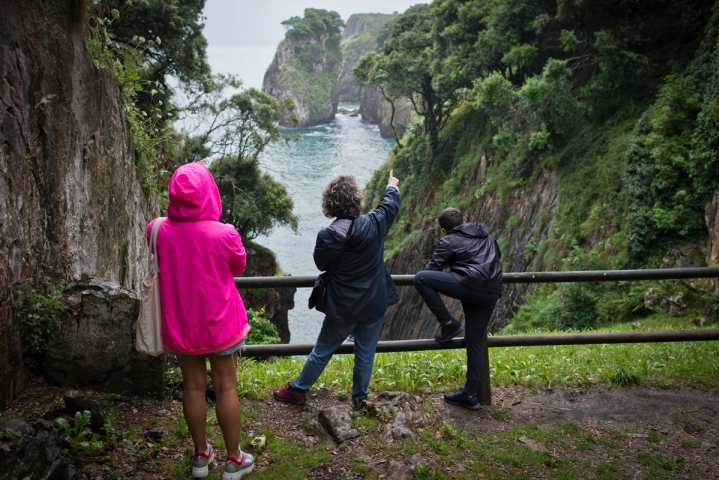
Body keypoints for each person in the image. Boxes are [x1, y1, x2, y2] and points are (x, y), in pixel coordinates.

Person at [147, 163, 254, 479]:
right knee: (226, 386)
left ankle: (200, 456)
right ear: (210, 192)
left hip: (180, 323)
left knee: (192, 387)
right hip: (222, 323)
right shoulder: (225, 234)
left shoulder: (157, 229)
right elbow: (239, 266)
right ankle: (234, 460)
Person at [273, 171, 401, 409]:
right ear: (357, 199)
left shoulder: (327, 236)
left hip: (345, 305)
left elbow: (322, 264)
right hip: (374, 301)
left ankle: (299, 390)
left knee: (323, 349)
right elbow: (389, 205)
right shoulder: (374, 223)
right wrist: (391, 185)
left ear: (330, 204)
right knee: (366, 351)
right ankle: (360, 397)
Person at [414, 207, 503, 411]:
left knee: (421, 279)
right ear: (464, 221)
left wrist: (450, 262)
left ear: (444, 229)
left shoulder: (448, 240)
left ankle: (449, 324)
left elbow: (431, 271)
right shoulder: (484, 233)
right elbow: (495, 255)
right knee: (474, 341)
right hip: (491, 290)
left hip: (470, 284)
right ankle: (470, 394)